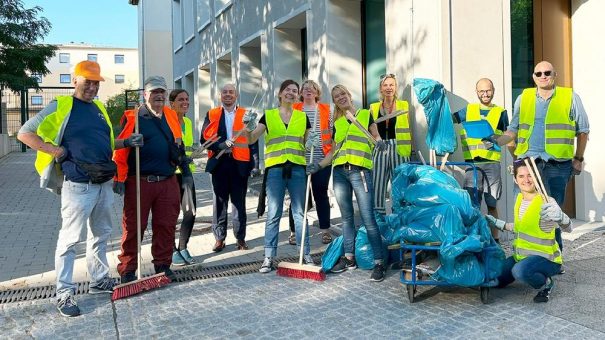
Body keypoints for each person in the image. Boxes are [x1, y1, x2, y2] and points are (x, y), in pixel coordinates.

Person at [17, 60, 143, 317]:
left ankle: (98, 280)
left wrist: (126, 141)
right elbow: (25, 133)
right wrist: (55, 150)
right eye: (87, 82)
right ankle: (64, 293)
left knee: (101, 234)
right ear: (75, 81)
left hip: (103, 183)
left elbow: (107, 144)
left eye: (96, 83)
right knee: (70, 240)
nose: (92, 87)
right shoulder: (61, 106)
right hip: (78, 187)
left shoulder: (99, 108)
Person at [498, 61, 590, 251]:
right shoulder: (524, 98)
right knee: (524, 210)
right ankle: (522, 252)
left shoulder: (570, 97)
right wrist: (496, 141)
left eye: (547, 72)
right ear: (533, 77)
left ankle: (553, 255)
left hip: (558, 165)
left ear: (555, 75)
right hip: (528, 164)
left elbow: (583, 131)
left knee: (551, 212)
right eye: (538, 73)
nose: (543, 76)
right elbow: (513, 130)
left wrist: (578, 159)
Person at [113, 76, 193, 284]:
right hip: (139, 181)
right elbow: (118, 147)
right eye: (154, 92)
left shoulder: (171, 115)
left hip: (167, 181)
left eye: (161, 92)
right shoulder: (134, 117)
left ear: (166, 95)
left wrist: (186, 172)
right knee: (133, 227)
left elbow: (178, 145)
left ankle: (163, 266)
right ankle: (128, 269)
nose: (158, 96)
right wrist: (119, 177)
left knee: (166, 225)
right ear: (145, 95)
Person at [307, 84, 388, 282]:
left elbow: (375, 136)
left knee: (368, 218)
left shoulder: (365, 114)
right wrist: (318, 165)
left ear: (349, 95)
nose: (340, 98)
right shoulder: (338, 123)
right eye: (336, 97)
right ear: (335, 102)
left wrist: (380, 141)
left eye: (342, 94)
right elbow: (333, 152)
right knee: (346, 219)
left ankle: (379, 262)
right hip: (340, 173)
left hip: (360, 172)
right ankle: (349, 258)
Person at [245, 79, 319, 273]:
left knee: (300, 214)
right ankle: (269, 257)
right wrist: (248, 126)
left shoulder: (303, 118)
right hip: (276, 170)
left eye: (295, 91)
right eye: (288, 90)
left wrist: (312, 141)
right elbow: (251, 139)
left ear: (298, 96)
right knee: (273, 212)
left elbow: (308, 143)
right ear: (280, 94)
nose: (291, 93)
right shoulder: (268, 116)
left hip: (297, 169)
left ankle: (306, 253)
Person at [488, 159, 572, 303]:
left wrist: (562, 217)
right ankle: (524, 269)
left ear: (537, 177)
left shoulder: (547, 201)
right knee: (497, 278)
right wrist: (499, 224)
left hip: (546, 259)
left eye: (530, 175)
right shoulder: (520, 198)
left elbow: (568, 227)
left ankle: (546, 283)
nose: (526, 180)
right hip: (521, 256)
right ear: (515, 179)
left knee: (519, 271)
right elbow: (522, 226)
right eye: (521, 176)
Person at [454, 78, 511, 243]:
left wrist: (495, 139)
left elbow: (508, 136)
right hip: (472, 166)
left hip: (492, 164)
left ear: (493, 90)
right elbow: (449, 120)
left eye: (488, 90)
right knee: (473, 205)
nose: (485, 94)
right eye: (481, 91)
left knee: (492, 204)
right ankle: (474, 237)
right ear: (476, 92)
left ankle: (495, 240)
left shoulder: (501, 112)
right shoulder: (468, 110)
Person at [201, 83, 252, 252]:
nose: (228, 95)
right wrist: (221, 145)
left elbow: (252, 140)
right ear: (220, 96)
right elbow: (204, 139)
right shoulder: (212, 113)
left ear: (236, 95)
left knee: (239, 203)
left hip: (240, 163)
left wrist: (254, 165)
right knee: (220, 202)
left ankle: (240, 238)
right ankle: (219, 238)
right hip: (219, 163)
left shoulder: (247, 114)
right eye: (225, 92)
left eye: (231, 92)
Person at [287, 80, 334, 245]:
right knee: (298, 197)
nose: (308, 91)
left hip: (322, 160)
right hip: (300, 160)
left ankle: (325, 231)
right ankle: (294, 232)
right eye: (305, 88)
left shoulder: (326, 110)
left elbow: (332, 133)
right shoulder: (294, 109)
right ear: (301, 93)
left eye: (312, 88)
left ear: (317, 92)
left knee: (321, 194)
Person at [369, 73, 412, 216]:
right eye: (385, 85)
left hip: (399, 148)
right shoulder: (373, 107)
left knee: (399, 183)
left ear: (395, 88)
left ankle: (399, 214)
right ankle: (378, 216)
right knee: (378, 182)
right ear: (381, 88)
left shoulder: (403, 105)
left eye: (391, 85)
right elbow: (370, 129)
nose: (389, 88)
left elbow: (408, 128)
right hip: (379, 146)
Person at [169, 89, 198, 265]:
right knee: (171, 214)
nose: (185, 102)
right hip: (171, 174)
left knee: (190, 212)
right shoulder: (167, 121)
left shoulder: (187, 121)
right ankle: (171, 250)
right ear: (172, 103)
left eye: (187, 99)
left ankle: (183, 246)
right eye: (181, 100)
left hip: (187, 173)